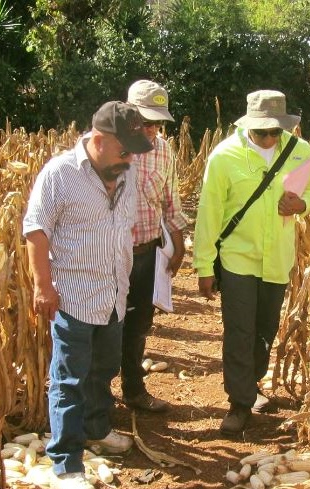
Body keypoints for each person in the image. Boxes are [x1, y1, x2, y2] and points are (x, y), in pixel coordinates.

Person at [23, 101, 153, 489]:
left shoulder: (126, 173)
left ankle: (96, 428)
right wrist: (43, 286)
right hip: (73, 297)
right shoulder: (60, 174)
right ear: (98, 139)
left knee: (104, 368)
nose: (130, 157)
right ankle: (66, 463)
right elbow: (36, 229)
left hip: (113, 293)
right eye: (124, 148)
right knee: (69, 379)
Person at [193, 90, 310, 436]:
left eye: (275, 131)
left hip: (277, 257)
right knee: (239, 330)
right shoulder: (224, 157)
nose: (268, 138)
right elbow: (209, 213)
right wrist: (204, 266)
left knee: (265, 329)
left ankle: (251, 385)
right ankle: (239, 402)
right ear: (248, 125)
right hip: (237, 257)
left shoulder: (300, 152)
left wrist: (302, 205)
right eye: (262, 131)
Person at [120, 79, 188, 412]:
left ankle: (133, 390)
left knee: (138, 325)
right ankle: (98, 398)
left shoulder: (163, 150)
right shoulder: (106, 145)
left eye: (157, 122)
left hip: (146, 252)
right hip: (107, 257)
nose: (151, 129)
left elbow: (169, 199)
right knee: (104, 326)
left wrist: (178, 241)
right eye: (145, 121)